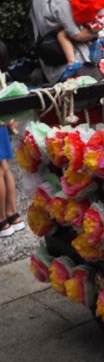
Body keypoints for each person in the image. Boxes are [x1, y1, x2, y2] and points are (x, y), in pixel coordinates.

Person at [0, 40, 23, 238]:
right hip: (3, 123)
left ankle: (1, 221)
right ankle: (13, 214)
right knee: (5, 169)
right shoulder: (1, 73)